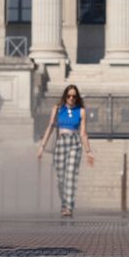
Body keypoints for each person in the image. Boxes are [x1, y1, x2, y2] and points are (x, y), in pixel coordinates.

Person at [37, 85, 95, 218]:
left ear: (77, 97)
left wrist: (88, 151)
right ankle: (64, 203)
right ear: (65, 96)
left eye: (74, 96)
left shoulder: (81, 111)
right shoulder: (57, 109)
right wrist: (42, 146)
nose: (71, 99)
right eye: (69, 96)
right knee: (61, 179)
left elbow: (83, 133)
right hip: (61, 143)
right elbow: (50, 127)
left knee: (70, 176)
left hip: (74, 142)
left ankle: (69, 207)